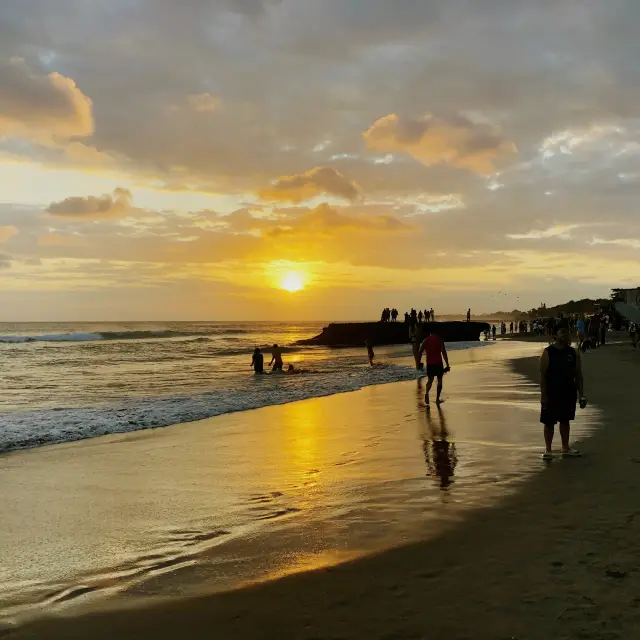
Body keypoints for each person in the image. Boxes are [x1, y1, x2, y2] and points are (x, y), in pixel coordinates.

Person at [540, 327, 585, 459]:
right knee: (549, 422)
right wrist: (543, 395)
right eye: (562, 333)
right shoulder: (548, 352)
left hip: (568, 390)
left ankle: (565, 448)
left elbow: (578, 374)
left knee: (565, 420)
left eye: (567, 333)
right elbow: (543, 376)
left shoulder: (573, 352)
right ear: (556, 335)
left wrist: (581, 394)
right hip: (551, 392)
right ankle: (548, 450)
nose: (565, 335)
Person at [418, 327, 450, 407]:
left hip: (430, 364)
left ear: (429, 332)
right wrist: (447, 364)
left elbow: (420, 351)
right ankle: (437, 399)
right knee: (439, 380)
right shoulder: (439, 339)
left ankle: (427, 393)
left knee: (430, 380)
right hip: (438, 363)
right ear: (436, 332)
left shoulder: (425, 340)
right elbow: (444, 352)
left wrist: (419, 362)